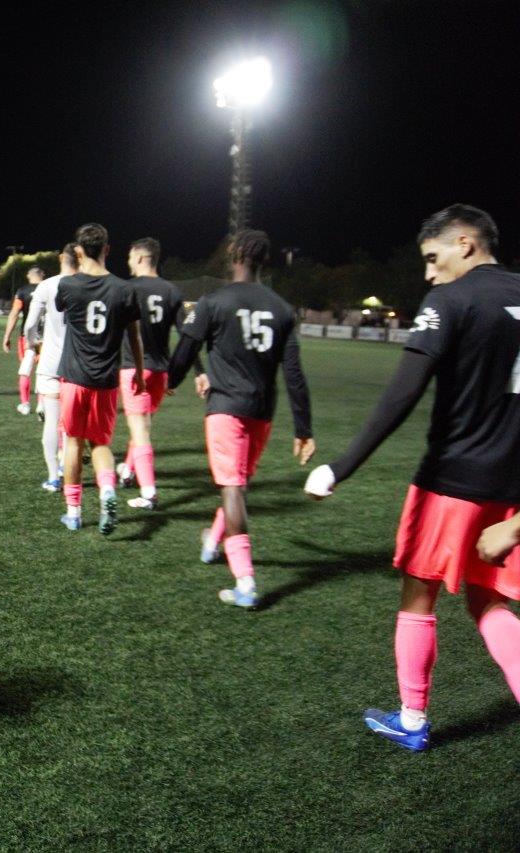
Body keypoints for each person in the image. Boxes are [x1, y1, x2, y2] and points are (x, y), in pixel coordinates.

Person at [304, 205, 520, 750]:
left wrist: (341, 466)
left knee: (418, 598)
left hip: (451, 480)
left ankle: (413, 719)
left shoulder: (450, 300)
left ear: (465, 243)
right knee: (488, 601)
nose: (427, 273)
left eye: (432, 257)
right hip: (512, 492)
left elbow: (402, 393)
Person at [167, 229, 314, 608]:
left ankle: (245, 581)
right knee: (238, 484)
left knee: (232, 487)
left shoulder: (214, 301)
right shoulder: (282, 308)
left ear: (233, 255)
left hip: (226, 407)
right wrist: (304, 428)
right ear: (264, 260)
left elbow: (185, 349)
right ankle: (213, 541)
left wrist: (169, 382)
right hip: (262, 412)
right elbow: (294, 374)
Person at [55, 224, 144, 535]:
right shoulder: (124, 290)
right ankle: (107, 492)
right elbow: (134, 337)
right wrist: (140, 375)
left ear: (79, 251)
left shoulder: (68, 285)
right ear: (107, 249)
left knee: (73, 442)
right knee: (101, 443)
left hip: (73, 377)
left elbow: (62, 310)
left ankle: (74, 512)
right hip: (106, 379)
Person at [116, 238, 184, 510]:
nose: (129, 262)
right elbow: (186, 335)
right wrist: (184, 373)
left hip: (135, 370)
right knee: (142, 427)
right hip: (161, 372)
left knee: (140, 431)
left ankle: (149, 492)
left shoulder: (127, 288)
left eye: (131, 257)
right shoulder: (172, 291)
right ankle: (128, 471)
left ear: (141, 258)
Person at [23, 244, 77, 491]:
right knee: (72, 422)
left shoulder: (46, 285)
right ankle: (67, 466)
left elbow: (30, 325)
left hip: (51, 363)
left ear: (61, 258)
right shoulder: (89, 285)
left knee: (52, 421)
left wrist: (33, 343)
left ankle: (54, 477)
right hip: (78, 364)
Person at [3, 266, 44, 414]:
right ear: (42, 275)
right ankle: (41, 405)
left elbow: (14, 314)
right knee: (43, 371)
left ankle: (25, 404)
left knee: (25, 369)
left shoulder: (22, 291)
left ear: (28, 275)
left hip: (27, 336)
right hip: (46, 337)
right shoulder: (49, 288)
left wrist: (7, 336)